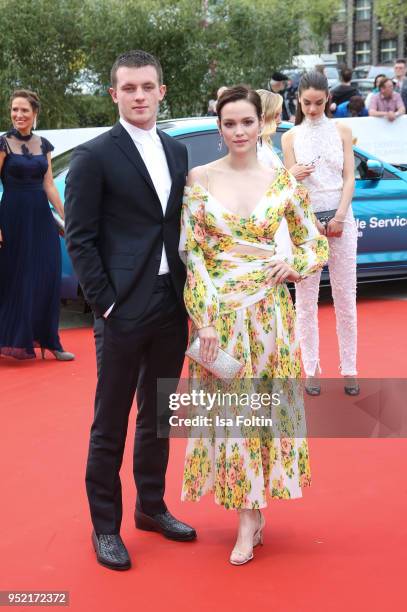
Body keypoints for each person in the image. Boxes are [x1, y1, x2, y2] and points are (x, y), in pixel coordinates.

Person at [179, 85, 328, 565]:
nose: (239, 131)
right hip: (219, 318)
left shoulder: (281, 180)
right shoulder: (199, 178)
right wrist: (203, 318)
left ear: (260, 125)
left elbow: (314, 243)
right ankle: (247, 516)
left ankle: (253, 512)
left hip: (270, 316)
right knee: (233, 419)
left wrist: (295, 266)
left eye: (247, 122)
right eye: (230, 123)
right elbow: (194, 255)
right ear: (219, 128)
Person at [64, 50, 196, 572]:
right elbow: (80, 238)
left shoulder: (177, 150)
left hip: (171, 302)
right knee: (110, 421)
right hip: (122, 309)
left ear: (162, 91)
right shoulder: (94, 156)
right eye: (128, 87)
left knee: (159, 414)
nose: (139, 95)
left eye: (147, 86)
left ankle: (151, 506)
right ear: (114, 94)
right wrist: (107, 303)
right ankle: (105, 527)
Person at [282, 71, 359, 396]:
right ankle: (311, 369)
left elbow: (349, 178)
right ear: (298, 100)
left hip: (342, 217)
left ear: (327, 99)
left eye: (318, 102)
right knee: (306, 302)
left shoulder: (342, 130)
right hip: (307, 225)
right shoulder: (290, 137)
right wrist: (308, 221)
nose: (312, 109)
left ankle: (350, 369)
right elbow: (291, 186)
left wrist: (340, 216)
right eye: (306, 103)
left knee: (345, 299)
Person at [0, 90, 74, 361]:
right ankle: (8, 338)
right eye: (14, 110)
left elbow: (49, 185)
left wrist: (68, 217)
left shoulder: (44, 144)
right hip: (12, 218)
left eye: (24, 110)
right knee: (13, 279)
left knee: (46, 276)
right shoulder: (3, 143)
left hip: (41, 218)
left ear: (35, 114)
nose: (18, 115)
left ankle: (50, 341)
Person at [256, 89, 292, 260]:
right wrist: (292, 175)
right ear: (265, 116)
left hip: (276, 229)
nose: (279, 120)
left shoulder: (264, 145)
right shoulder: (257, 150)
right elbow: (262, 191)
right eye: (276, 115)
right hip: (269, 233)